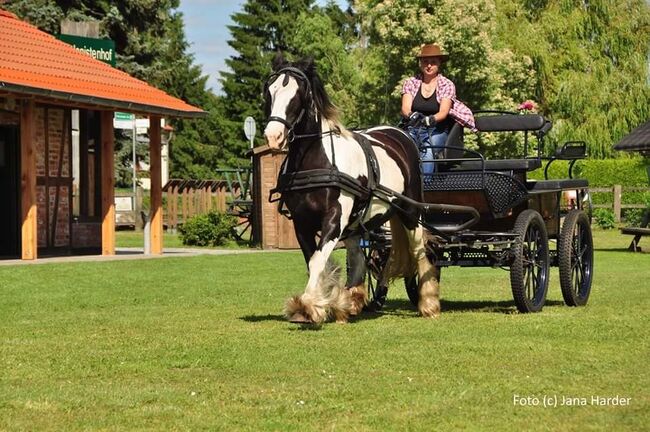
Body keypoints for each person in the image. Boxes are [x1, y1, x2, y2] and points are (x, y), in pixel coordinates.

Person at [401, 43, 476, 174]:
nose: (429, 65)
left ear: (439, 63)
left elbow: (443, 112)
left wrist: (430, 119)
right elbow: (405, 108)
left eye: (433, 62)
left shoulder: (446, 84)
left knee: (427, 148)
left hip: (437, 130)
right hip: (413, 127)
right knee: (399, 147)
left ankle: (426, 187)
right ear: (420, 63)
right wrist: (412, 115)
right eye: (425, 62)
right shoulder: (411, 82)